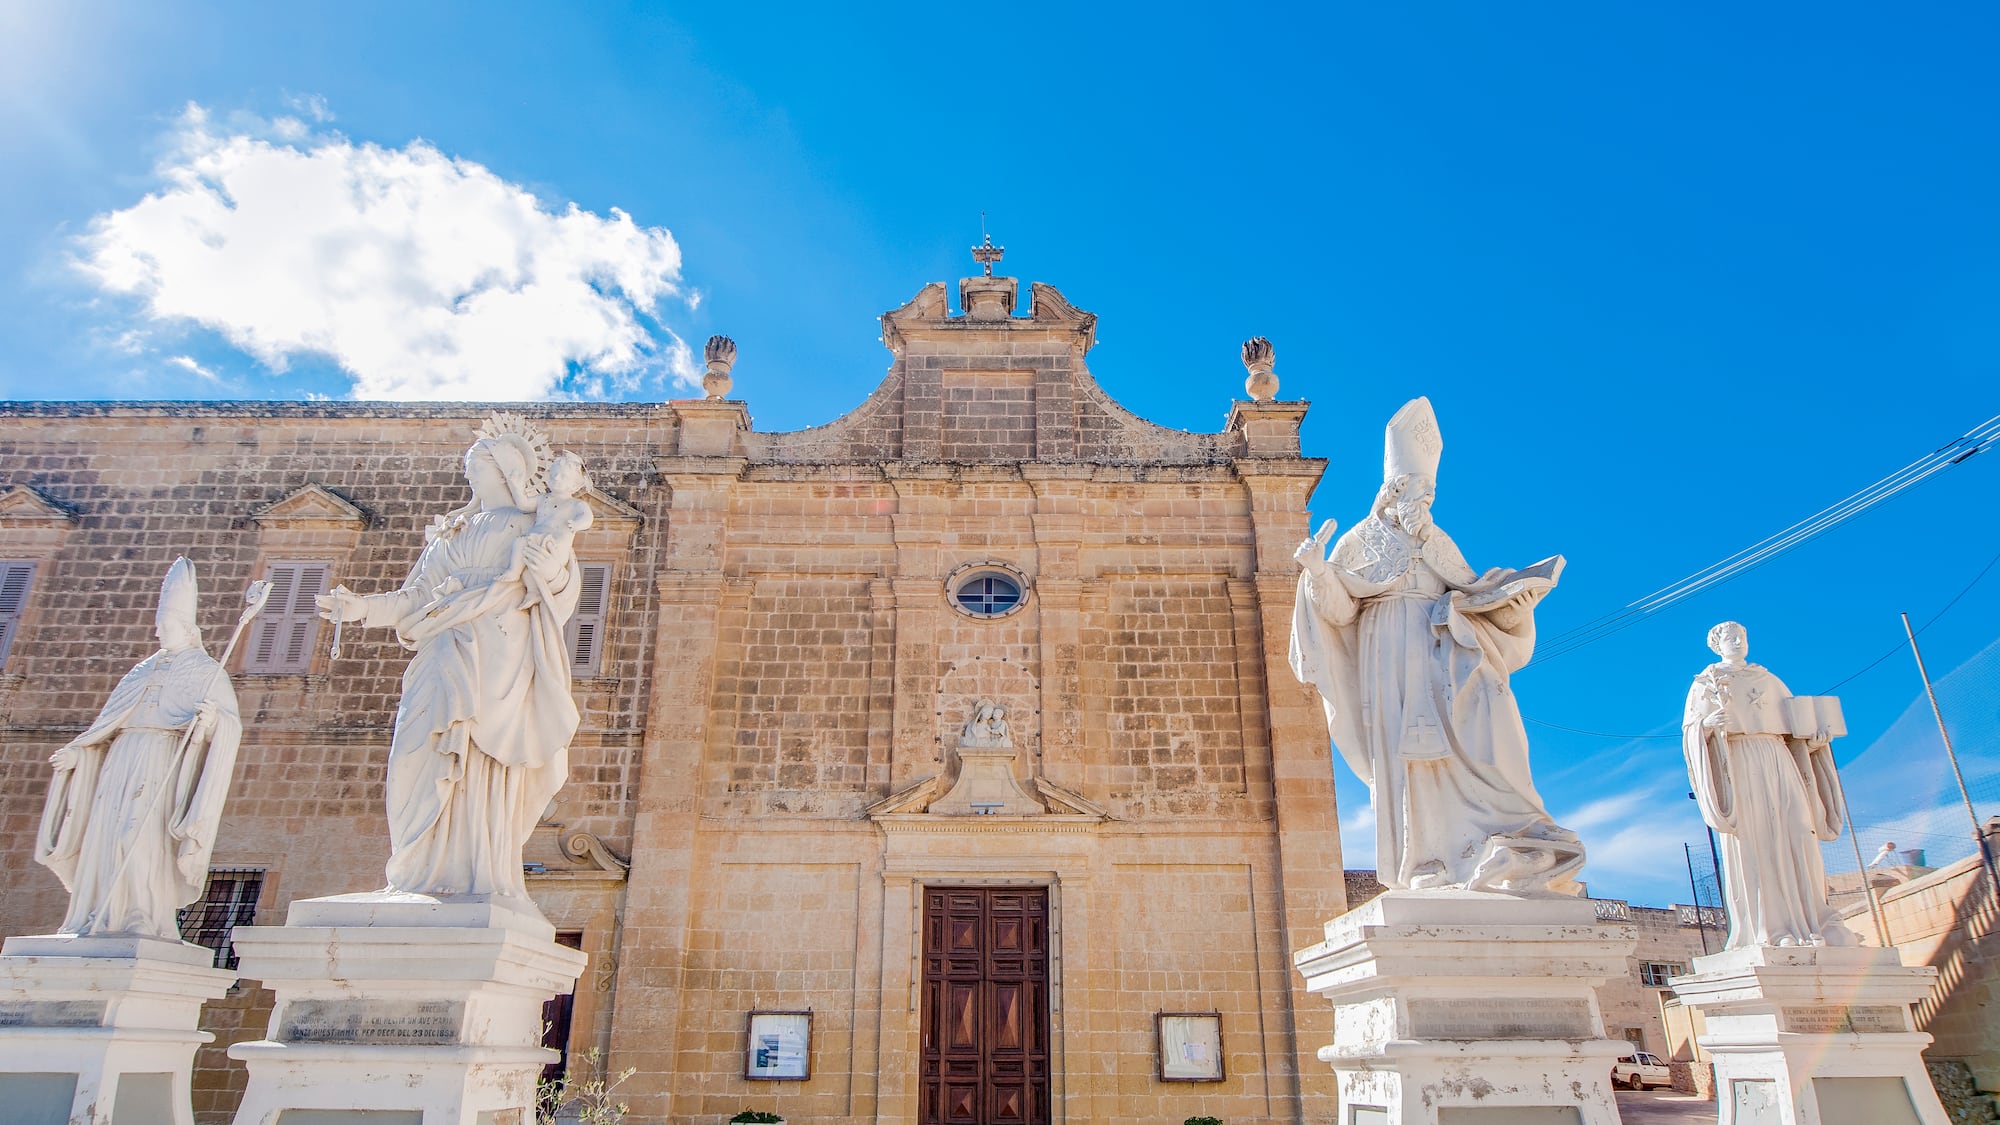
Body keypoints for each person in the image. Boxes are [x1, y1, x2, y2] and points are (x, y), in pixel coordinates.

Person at [1290, 397, 1582, 894]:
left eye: (1431, 494)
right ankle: (1425, 858)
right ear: (1395, 489)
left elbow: (1472, 589)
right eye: (1420, 491)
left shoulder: (1437, 539)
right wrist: (1318, 570)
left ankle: (1500, 833)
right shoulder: (1359, 541)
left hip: (1441, 649)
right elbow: (1339, 613)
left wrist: (1518, 593)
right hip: (1384, 652)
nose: (1426, 502)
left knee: (1488, 722)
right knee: (1402, 758)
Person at [317, 416, 583, 903]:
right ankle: (419, 868)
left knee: (482, 758)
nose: (470, 478)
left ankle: (475, 868)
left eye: (478, 468)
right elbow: (414, 595)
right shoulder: (451, 533)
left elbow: (560, 590)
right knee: (418, 751)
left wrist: (552, 572)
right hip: (441, 646)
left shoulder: (535, 523)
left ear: (505, 472)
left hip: (497, 654)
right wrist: (361, 609)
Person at [35, 557, 244, 938]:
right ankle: (96, 912)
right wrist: (78, 754)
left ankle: (142, 913)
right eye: (157, 626)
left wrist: (211, 720)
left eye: (165, 626)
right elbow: (106, 727)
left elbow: (228, 725)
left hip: (162, 759)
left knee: (140, 835)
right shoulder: (140, 671)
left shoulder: (205, 670)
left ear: (185, 628)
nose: (159, 632)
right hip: (121, 759)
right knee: (107, 836)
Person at [1683, 621, 1852, 949]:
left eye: (1741, 636)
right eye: (1730, 638)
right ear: (1717, 645)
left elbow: (1797, 733)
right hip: (1740, 762)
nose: (1737, 642)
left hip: (1779, 759)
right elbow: (1691, 734)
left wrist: (1816, 742)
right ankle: (1772, 928)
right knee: (1757, 837)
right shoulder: (1707, 683)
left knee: (1799, 831)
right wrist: (1706, 727)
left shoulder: (1770, 680)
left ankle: (1814, 918)